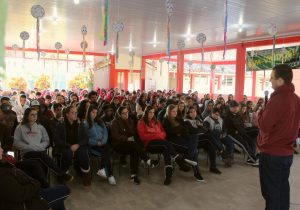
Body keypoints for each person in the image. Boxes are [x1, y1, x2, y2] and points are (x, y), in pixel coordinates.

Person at [257, 64, 300, 210]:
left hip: (272, 154)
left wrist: (261, 112)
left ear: (280, 80)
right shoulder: (295, 99)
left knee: (271, 194)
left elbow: (264, 125)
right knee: (282, 190)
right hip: (286, 153)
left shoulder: (277, 100)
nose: (270, 80)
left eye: (272, 78)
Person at [0, 145, 70, 210]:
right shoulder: (3, 174)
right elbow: (19, 195)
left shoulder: (4, 166)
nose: (2, 149)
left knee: (58, 200)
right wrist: (36, 183)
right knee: (65, 190)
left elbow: (46, 140)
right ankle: (58, 176)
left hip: (30, 193)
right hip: (27, 203)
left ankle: (52, 182)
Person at [137, 106, 194, 185]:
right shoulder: (141, 122)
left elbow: (164, 133)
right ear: (146, 113)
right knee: (167, 144)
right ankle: (180, 162)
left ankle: (168, 177)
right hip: (150, 144)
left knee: (166, 150)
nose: (152, 114)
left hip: (161, 143)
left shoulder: (156, 122)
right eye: (150, 112)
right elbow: (143, 137)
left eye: (153, 112)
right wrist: (157, 135)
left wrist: (155, 134)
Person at [13, 108, 73, 183]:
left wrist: (40, 147)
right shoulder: (20, 127)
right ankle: (61, 173)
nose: (35, 116)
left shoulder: (40, 127)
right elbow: (16, 142)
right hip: (27, 153)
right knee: (42, 157)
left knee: (42, 163)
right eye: (32, 115)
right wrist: (29, 147)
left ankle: (44, 185)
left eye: (36, 114)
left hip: (40, 151)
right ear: (27, 116)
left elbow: (46, 140)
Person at [110, 106, 157, 185]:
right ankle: (147, 160)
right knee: (134, 146)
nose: (126, 115)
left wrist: (133, 137)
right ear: (119, 114)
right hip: (118, 145)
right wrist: (126, 138)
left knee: (134, 149)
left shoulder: (130, 121)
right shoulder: (115, 122)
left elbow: (134, 133)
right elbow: (115, 135)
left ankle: (133, 175)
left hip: (130, 143)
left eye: (127, 113)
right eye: (123, 113)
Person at [85, 105, 116, 185]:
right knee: (106, 152)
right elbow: (86, 139)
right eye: (93, 112)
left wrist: (103, 141)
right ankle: (110, 175)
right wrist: (96, 142)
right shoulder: (85, 124)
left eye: (96, 112)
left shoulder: (100, 121)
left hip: (103, 143)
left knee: (106, 150)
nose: (94, 114)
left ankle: (103, 169)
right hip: (93, 145)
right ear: (89, 113)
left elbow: (105, 133)